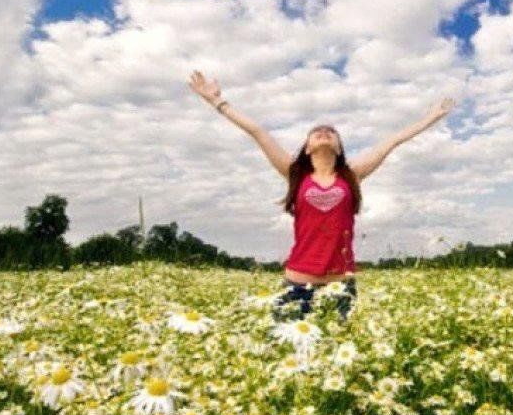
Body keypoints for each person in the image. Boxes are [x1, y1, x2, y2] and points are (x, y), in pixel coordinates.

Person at [187, 69, 454, 321]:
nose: (324, 132)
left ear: (339, 148)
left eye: (332, 133)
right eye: (316, 132)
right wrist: (217, 101)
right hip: (297, 283)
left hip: (340, 287)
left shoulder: (352, 175)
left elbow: (392, 140)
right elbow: (257, 131)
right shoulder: (295, 174)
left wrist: (432, 117)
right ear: (306, 149)